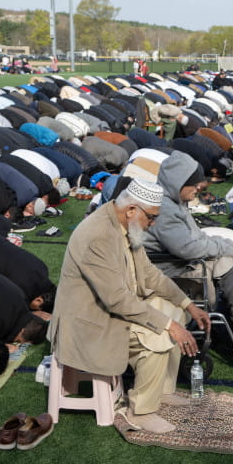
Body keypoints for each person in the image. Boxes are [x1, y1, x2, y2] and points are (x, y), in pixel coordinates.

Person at [49, 180, 207, 434]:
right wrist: (169, 325)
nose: (153, 224)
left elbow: (150, 275)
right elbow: (117, 299)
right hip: (90, 323)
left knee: (173, 311)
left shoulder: (126, 225)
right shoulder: (98, 234)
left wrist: (187, 305)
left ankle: (161, 391)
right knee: (160, 333)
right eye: (152, 217)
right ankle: (142, 411)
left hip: (113, 311)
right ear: (132, 209)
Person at [149, 152, 233, 351]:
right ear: (179, 182)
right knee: (227, 263)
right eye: (196, 186)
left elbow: (197, 238)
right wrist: (226, 247)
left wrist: (228, 245)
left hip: (177, 262)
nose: (198, 191)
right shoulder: (165, 209)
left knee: (228, 261)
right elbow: (188, 248)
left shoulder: (173, 202)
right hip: (168, 269)